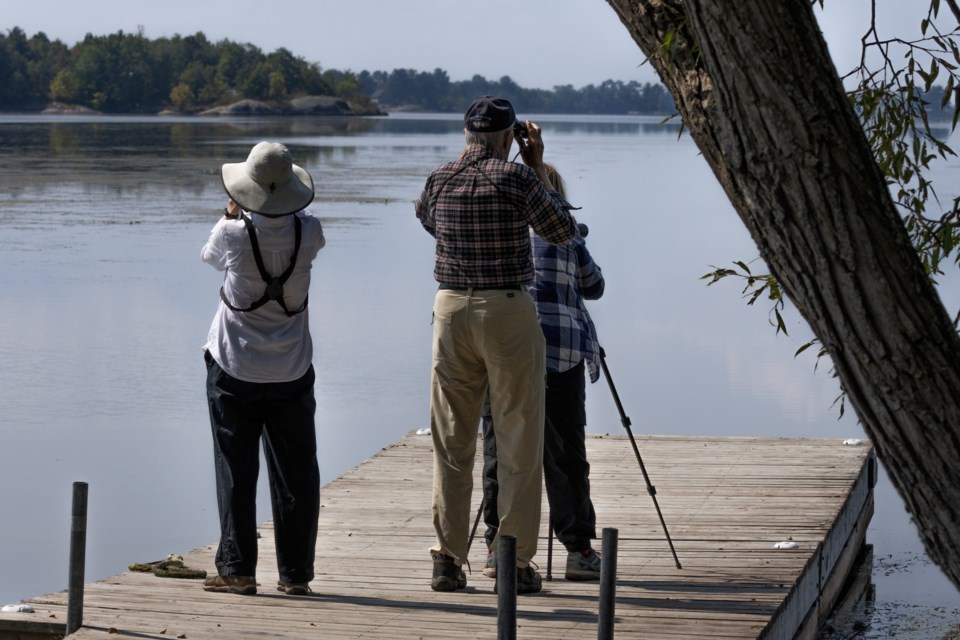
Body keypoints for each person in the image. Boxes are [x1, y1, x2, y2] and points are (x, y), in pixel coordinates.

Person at [415, 96, 577, 594]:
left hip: (450, 310)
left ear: (466, 134)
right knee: (518, 437)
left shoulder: (438, 178)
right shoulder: (517, 177)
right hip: (506, 309)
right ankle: (513, 561)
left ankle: (447, 558)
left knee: (451, 439)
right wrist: (534, 166)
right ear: (509, 138)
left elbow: (427, 221)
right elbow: (563, 230)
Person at [200, 141, 326, 596]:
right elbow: (302, 233)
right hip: (291, 367)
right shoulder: (309, 233)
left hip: (234, 365)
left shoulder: (232, 233)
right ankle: (295, 576)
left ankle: (237, 569)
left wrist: (231, 213)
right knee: (297, 471)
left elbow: (209, 259)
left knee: (235, 467)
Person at [479, 163, 606, 582]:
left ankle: (499, 545)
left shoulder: (498, 231)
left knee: (501, 448)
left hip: (503, 353)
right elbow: (594, 286)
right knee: (566, 454)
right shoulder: (565, 233)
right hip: (562, 352)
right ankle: (579, 550)